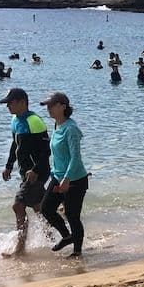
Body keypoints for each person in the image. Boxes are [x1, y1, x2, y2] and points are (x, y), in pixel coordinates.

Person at [0, 88, 51, 256]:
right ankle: (52, 239)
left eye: (10, 102)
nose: (8, 106)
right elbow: (15, 145)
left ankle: (20, 248)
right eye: (6, 103)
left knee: (18, 205)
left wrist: (35, 170)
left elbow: (46, 151)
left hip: (38, 172)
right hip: (25, 172)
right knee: (38, 208)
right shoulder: (15, 120)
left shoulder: (34, 121)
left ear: (22, 102)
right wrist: (8, 165)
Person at [38, 93, 89, 258]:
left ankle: (77, 251)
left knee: (72, 215)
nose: (48, 109)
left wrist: (67, 178)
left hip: (75, 179)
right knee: (46, 209)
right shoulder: (57, 125)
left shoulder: (71, 129)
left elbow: (75, 157)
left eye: (52, 105)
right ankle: (67, 236)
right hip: (57, 176)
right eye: (47, 106)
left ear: (63, 107)